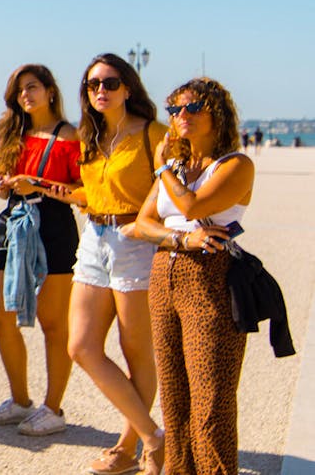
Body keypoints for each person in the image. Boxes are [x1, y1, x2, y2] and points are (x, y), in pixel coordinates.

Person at [125, 78, 253, 474]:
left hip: (211, 280)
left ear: (217, 113)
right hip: (165, 276)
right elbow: (142, 224)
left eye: (193, 107)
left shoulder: (235, 164)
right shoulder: (178, 168)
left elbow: (193, 203)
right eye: (175, 110)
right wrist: (182, 237)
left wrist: (162, 167)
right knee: (175, 401)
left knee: (211, 401)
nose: (181, 116)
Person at [48, 54, 167, 475]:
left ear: (128, 87)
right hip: (93, 239)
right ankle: (154, 435)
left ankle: (128, 446)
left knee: (137, 354)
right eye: (92, 84)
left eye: (111, 82)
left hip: (136, 243)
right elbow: (91, 193)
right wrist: (54, 189)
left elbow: (171, 191)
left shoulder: (155, 134)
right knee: (80, 347)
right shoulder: (89, 137)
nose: (101, 90)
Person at [0, 65, 82, 436]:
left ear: (51, 91)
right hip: (14, 224)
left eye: (33, 87)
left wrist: (37, 183)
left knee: (53, 324)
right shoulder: (13, 132)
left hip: (54, 226)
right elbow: (2, 181)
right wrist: (0, 182)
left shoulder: (70, 135)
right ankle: (20, 400)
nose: (26, 95)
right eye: (20, 90)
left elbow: (83, 191)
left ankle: (53, 408)